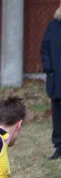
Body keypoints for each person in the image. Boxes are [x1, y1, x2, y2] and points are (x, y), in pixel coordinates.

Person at [41, 5, 61, 160]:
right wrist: (49, 69)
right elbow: (45, 48)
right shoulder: (53, 25)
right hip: (56, 78)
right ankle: (59, 146)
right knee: (57, 113)